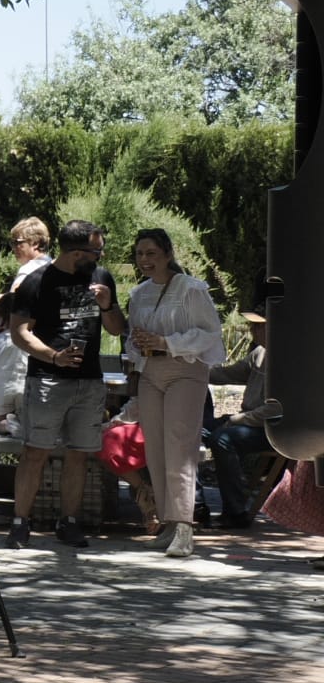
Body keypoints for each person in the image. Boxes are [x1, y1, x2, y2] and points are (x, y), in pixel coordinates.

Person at [4, 219, 127, 551]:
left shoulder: (101, 278)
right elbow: (19, 332)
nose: (100, 257)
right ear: (75, 253)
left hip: (89, 382)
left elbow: (117, 330)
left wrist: (107, 305)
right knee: (35, 452)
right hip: (47, 379)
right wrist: (53, 356)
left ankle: (69, 522)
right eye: (95, 251)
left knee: (79, 454)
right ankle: (20, 523)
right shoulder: (36, 281)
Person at [124, 228, 225, 558]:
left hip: (185, 371)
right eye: (140, 254)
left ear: (168, 254)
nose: (145, 260)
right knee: (155, 450)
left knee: (180, 447)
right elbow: (131, 339)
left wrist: (168, 343)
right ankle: (167, 522)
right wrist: (139, 344)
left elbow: (210, 333)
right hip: (151, 374)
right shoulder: (138, 294)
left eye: (151, 253)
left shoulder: (192, 289)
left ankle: (184, 525)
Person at [206, 312, 271, 530]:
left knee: (223, 439)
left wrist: (236, 420)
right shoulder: (259, 353)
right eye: (252, 325)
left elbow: (277, 410)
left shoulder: (290, 359)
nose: (252, 330)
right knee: (199, 429)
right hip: (248, 421)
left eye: (258, 326)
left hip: (273, 429)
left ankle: (236, 513)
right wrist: (194, 371)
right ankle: (196, 506)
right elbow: (229, 374)